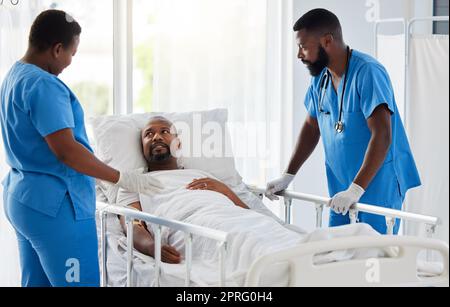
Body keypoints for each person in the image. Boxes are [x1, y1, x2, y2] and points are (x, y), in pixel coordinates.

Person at [0, 10, 162, 287]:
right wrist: (121, 177)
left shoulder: (14, 75)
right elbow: (67, 152)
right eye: (71, 54)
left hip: (23, 199)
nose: (70, 62)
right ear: (57, 49)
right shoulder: (44, 85)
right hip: (55, 209)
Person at [265, 9, 421, 234]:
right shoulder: (321, 78)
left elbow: (383, 135)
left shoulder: (368, 72)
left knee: (372, 256)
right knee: (338, 254)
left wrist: (356, 190)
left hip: (376, 184)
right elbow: (312, 127)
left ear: (327, 41)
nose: (299, 55)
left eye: (304, 46)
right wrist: (288, 175)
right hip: (342, 185)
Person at [116, 116, 250, 264]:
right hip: (194, 227)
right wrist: (151, 247)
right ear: (143, 148)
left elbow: (247, 213)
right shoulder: (134, 182)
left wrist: (225, 190)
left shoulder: (202, 175)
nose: (157, 137)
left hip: (233, 218)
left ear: (178, 144)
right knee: (248, 248)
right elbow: (131, 222)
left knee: (263, 237)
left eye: (165, 131)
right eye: (149, 134)